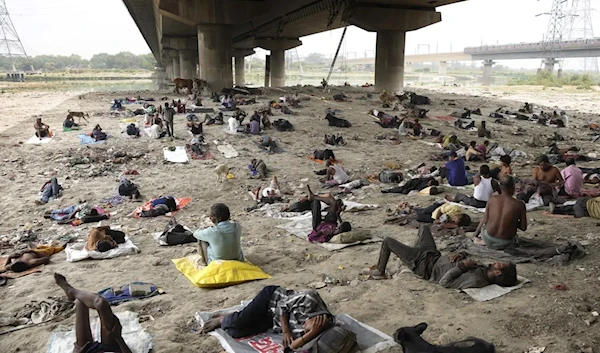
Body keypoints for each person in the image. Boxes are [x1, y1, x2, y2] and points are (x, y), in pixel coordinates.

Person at [363, 225, 518, 289]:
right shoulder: (484, 270)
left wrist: (461, 266)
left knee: (387, 241)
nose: (497, 263)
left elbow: (444, 282)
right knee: (424, 227)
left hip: (423, 265)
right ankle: (412, 250)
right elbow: (465, 261)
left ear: (498, 273)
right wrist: (460, 255)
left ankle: (380, 272)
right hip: (432, 254)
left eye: (500, 265)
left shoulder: (477, 280)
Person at [201, 285, 334, 350]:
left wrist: (310, 334)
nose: (302, 327)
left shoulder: (310, 331)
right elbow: (282, 305)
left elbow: (293, 347)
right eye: (306, 325)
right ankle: (222, 319)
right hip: (271, 299)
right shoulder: (310, 299)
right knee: (237, 322)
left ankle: (230, 318)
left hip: (273, 320)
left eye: (306, 330)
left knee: (236, 332)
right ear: (317, 318)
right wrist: (286, 331)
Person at [54, 274, 133, 353]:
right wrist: (118, 338)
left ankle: (72, 292)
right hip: (111, 348)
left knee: (80, 302)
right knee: (101, 303)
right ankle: (72, 292)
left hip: (86, 351)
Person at [474, 176, 527, 250]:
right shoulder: (519, 204)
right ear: (513, 187)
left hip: (488, 239)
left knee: (486, 219)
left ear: (500, 187)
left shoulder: (492, 199)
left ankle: (479, 240)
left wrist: (475, 235)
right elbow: (523, 227)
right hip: (505, 242)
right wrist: (512, 220)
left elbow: (485, 220)